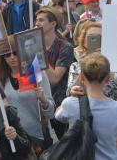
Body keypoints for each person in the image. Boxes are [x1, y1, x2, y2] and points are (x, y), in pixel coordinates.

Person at [55, 53, 117, 160]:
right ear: (108, 78)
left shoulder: (70, 104)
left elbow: (57, 114)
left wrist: (71, 96)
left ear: (82, 77)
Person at [0, 36, 54, 155]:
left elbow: (50, 113)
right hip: (14, 140)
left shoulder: (37, 74)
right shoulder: (0, 79)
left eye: (16, 53)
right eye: (7, 54)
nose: (12, 57)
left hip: (38, 137)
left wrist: (43, 100)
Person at [35, 7, 74, 139]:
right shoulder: (34, 45)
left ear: (53, 23)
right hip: (40, 103)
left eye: (41, 20)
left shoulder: (65, 47)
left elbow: (55, 78)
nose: (37, 23)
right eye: (36, 20)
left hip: (59, 104)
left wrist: (39, 54)